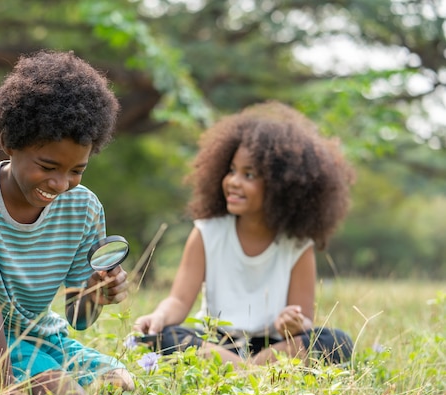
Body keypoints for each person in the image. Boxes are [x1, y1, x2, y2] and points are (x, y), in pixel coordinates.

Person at [0, 50, 134, 395]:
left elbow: (79, 319)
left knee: (122, 387)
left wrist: (97, 290)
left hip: (44, 337)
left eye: (77, 170)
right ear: (11, 143)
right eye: (48, 166)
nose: (60, 183)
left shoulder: (84, 208)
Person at [133, 101, 355, 367]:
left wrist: (292, 323)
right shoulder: (207, 232)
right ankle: (256, 374)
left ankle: (240, 371)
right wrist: (158, 316)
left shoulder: (297, 246)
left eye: (248, 174)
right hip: (215, 342)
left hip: (272, 345)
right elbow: (179, 300)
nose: (233, 182)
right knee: (163, 337)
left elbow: (303, 321)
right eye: (231, 170)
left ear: (281, 186)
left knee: (337, 342)